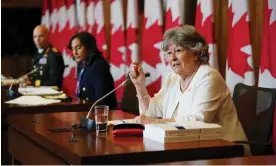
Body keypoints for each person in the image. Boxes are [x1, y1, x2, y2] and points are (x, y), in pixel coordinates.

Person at [129, 25, 249, 154]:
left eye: (178, 50)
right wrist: (140, 86)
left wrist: (155, 121)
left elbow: (199, 121)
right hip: (185, 146)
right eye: (169, 53)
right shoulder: (173, 78)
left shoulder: (208, 76)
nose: (173, 57)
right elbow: (150, 113)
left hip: (225, 148)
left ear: (196, 53)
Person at [68, 32, 117, 109]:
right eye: (73, 48)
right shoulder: (83, 64)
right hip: (85, 109)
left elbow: (101, 101)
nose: (75, 52)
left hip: (101, 113)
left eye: (78, 47)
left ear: (88, 47)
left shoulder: (98, 65)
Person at [29, 25, 65, 89]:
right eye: (35, 37)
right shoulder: (37, 54)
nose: (37, 39)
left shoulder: (53, 55)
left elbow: (54, 82)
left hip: (50, 95)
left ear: (48, 37)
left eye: (41, 36)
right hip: (37, 92)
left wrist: (33, 84)